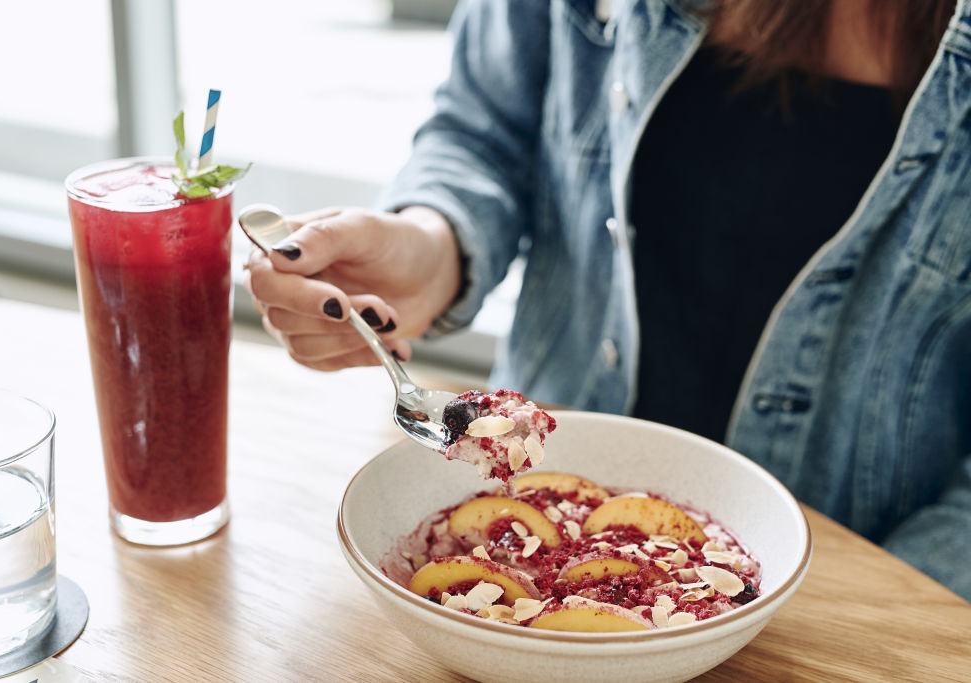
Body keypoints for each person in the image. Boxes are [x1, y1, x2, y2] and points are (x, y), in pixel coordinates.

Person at [246, 0, 971, 601]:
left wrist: (870, 616)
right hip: (526, 506)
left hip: (869, 582)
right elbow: (485, 130)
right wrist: (436, 245)